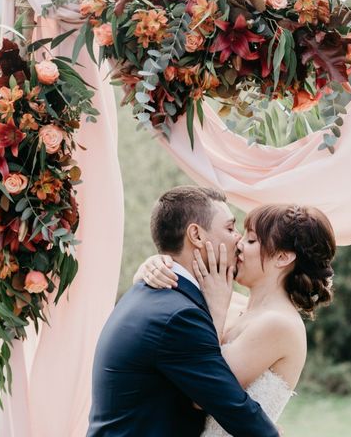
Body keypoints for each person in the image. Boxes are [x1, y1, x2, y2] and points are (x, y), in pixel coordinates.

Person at [88, 186, 279, 437]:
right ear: (196, 235)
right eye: (230, 228)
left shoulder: (152, 295)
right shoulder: (178, 316)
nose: (239, 240)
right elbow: (232, 406)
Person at [135, 201, 337, 436]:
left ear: (282, 257)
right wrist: (152, 266)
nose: (239, 244)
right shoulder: (232, 302)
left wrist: (217, 310)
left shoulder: (279, 324)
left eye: (251, 240)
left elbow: (203, 394)